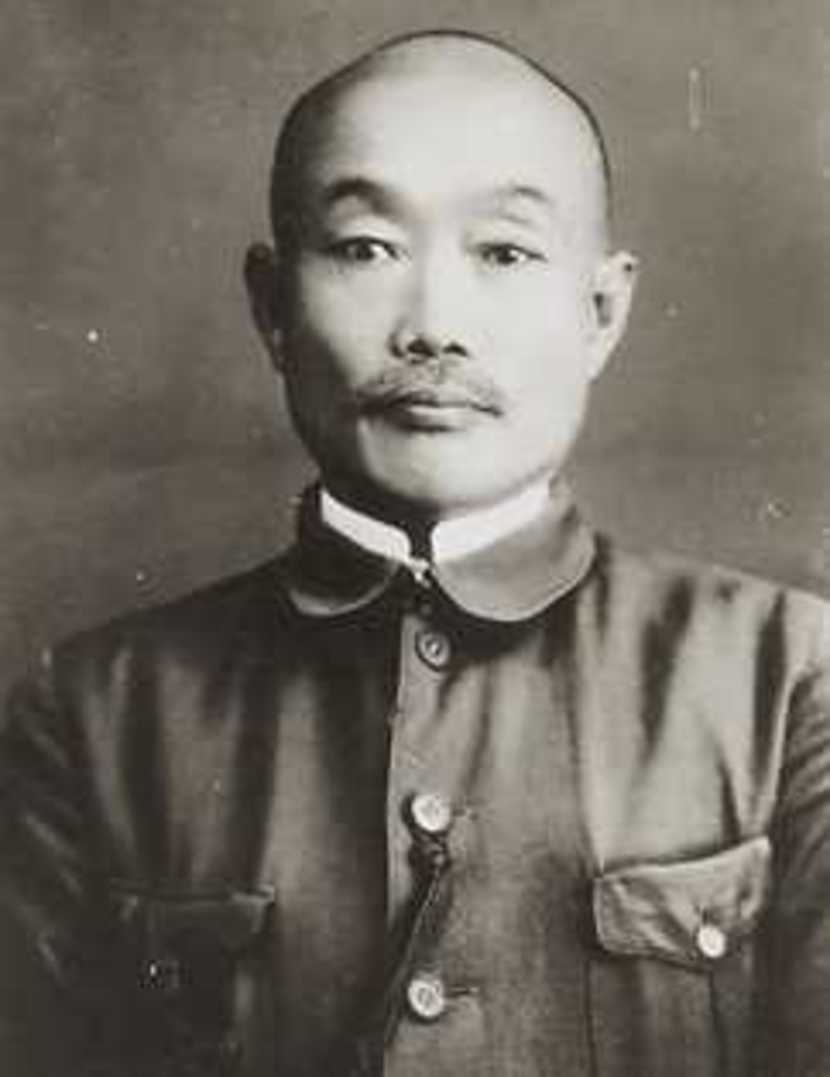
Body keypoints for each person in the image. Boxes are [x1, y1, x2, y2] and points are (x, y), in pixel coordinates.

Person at [1, 28, 828, 1077]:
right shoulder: (93, 712)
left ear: (601, 310)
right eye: (365, 249)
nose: (435, 326)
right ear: (272, 307)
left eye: (504, 253)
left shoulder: (788, 676)